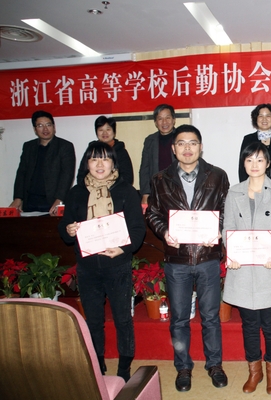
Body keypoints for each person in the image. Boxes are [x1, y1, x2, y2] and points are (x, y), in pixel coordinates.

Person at [146, 124, 230, 393]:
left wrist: (218, 230)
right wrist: (164, 232)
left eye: (192, 143)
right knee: (179, 318)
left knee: (211, 317)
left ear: (200, 147)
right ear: (174, 149)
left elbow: (227, 209)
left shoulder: (217, 175)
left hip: (207, 258)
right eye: (181, 143)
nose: (187, 148)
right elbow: (153, 213)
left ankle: (215, 365)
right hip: (177, 260)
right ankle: (183, 367)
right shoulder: (160, 179)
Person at [58, 141, 145, 382]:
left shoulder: (127, 191)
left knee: (122, 319)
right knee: (94, 320)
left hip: (117, 266)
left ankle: (124, 367)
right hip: (87, 268)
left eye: (105, 158)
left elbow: (138, 229)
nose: (99, 164)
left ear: (113, 163)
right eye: (94, 158)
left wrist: (123, 249)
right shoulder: (76, 192)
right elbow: (64, 228)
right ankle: (98, 363)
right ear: (87, 163)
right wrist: (69, 230)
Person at [223, 142, 271, 395]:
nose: (255, 165)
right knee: (249, 325)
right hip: (242, 269)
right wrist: (232, 252)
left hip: (269, 267)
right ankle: (255, 371)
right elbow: (228, 229)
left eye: (260, 160)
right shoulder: (233, 192)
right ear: (243, 163)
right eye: (249, 160)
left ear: (268, 163)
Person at [10, 110, 75, 215]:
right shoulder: (28, 147)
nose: (45, 129)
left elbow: (67, 174)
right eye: (40, 125)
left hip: (52, 202)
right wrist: (18, 198)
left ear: (54, 127)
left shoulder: (65, 146)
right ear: (35, 129)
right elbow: (21, 173)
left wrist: (59, 199)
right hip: (29, 201)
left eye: (48, 125)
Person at [76, 116, 134, 185]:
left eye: (108, 129)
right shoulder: (91, 151)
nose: (104, 133)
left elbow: (128, 177)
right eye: (101, 130)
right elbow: (81, 175)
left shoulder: (121, 151)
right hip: (92, 189)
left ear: (114, 132)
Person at [139, 104, 177, 204]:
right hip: (156, 191)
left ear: (173, 119)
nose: (164, 122)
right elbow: (145, 169)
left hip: (178, 190)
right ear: (155, 122)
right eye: (160, 119)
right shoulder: (150, 140)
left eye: (168, 118)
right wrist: (145, 194)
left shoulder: (181, 137)